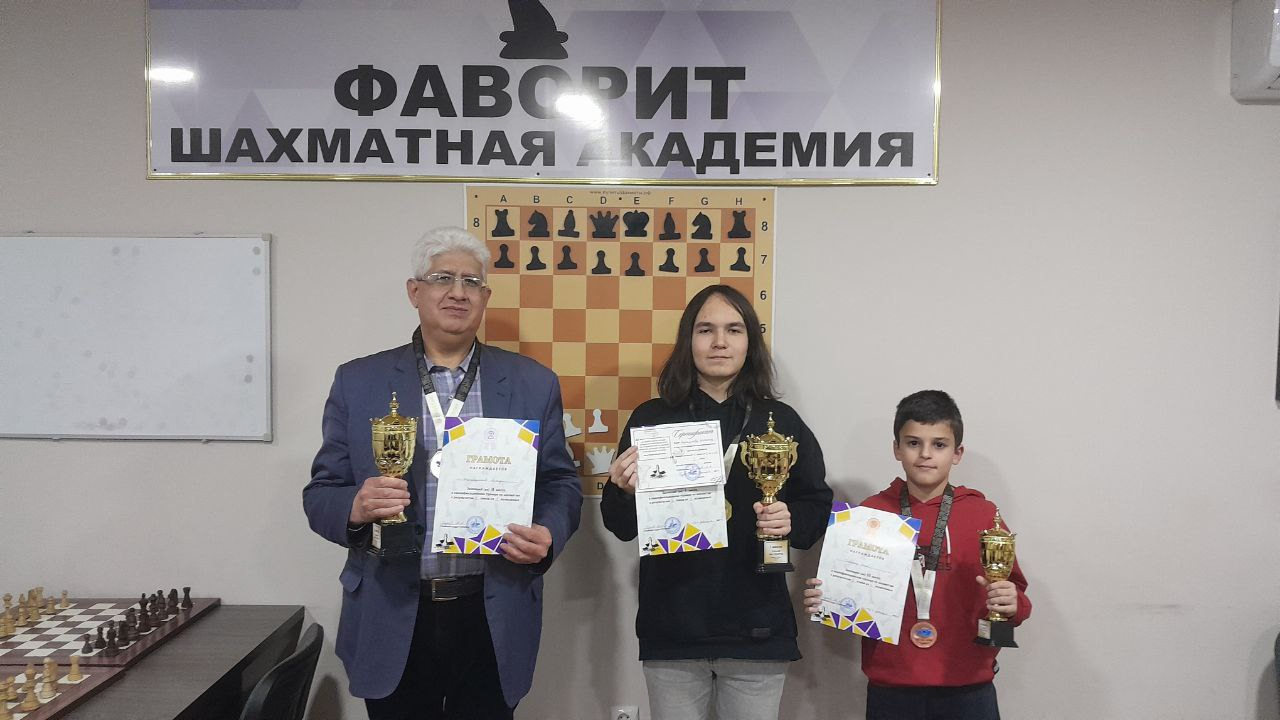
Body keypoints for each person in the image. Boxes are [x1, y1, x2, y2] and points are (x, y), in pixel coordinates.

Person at [303, 227, 582, 720]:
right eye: (443, 278)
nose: (458, 292)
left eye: (471, 282)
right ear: (415, 292)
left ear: (485, 297)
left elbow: (561, 483)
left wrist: (549, 533)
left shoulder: (533, 382)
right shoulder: (359, 381)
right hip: (393, 610)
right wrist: (355, 506)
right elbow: (321, 492)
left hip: (492, 609)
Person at [600, 284, 832, 720]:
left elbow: (816, 508)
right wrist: (623, 490)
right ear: (688, 340)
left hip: (757, 626)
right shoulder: (652, 418)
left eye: (734, 330)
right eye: (706, 330)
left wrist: (790, 518)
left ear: (750, 342)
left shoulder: (781, 422)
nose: (720, 342)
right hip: (673, 626)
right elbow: (621, 525)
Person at [803, 390, 1031, 720]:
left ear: (957, 453)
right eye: (913, 443)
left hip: (968, 687)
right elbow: (852, 603)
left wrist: (1012, 603)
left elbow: (1017, 597)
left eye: (939, 444)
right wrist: (831, 598)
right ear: (897, 448)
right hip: (892, 686)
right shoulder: (872, 514)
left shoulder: (983, 515)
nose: (925, 454)